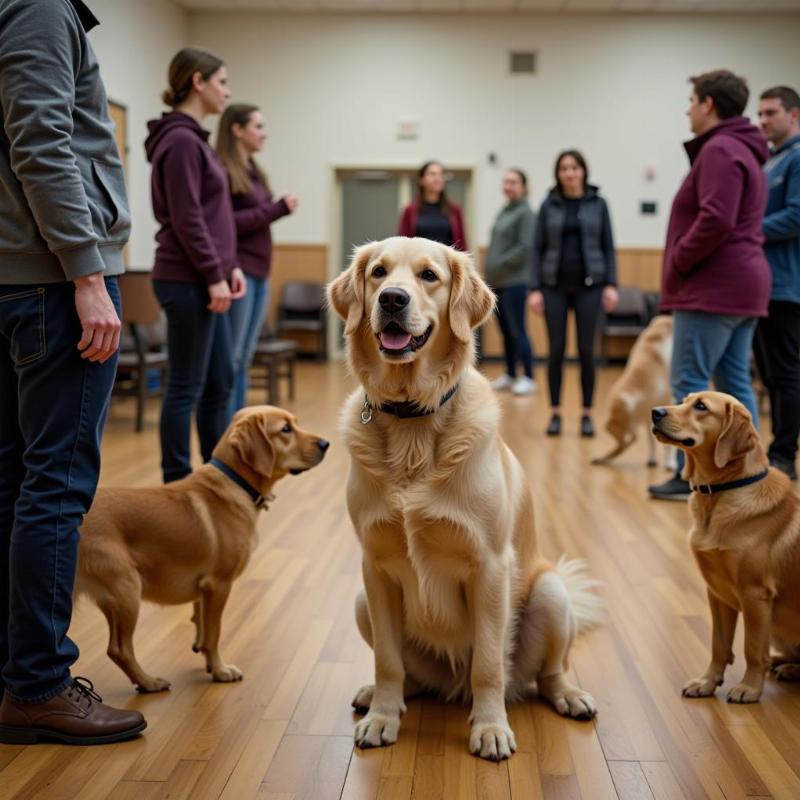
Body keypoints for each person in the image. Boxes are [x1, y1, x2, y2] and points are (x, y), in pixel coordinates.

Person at [0, 0, 146, 743]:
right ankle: (38, 685)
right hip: (54, 280)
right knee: (55, 486)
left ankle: (14, 674)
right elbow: (41, 135)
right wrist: (86, 270)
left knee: (17, 479)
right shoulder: (37, 4)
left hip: (21, 276)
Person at [649, 70, 771, 500]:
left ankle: (697, 478)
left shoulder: (719, 148)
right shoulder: (744, 149)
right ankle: (749, 478)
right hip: (744, 284)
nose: (687, 109)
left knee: (690, 378)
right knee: (735, 384)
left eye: (691, 101)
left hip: (715, 285)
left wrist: (680, 257)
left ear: (708, 105)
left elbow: (716, 217)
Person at [145, 48, 246, 484]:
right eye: (222, 81)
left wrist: (230, 265)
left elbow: (213, 215)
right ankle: (176, 480)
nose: (227, 91)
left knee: (220, 380)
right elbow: (187, 218)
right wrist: (212, 274)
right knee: (186, 385)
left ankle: (216, 475)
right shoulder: (182, 141)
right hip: (187, 280)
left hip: (208, 278)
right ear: (198, 82)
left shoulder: (193, 140)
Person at [527, 150, 619, 437]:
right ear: (558, 173)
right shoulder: (549, 204)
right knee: (555, 351)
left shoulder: (598, 204)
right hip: (553, 287)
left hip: (590, 287)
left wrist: (611, 284)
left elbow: (607, 245)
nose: (569, 173)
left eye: (574, 167)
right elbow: (537, 248)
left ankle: (587, 414)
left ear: (583, 171)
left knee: (586, 351)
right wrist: (534, 289)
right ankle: (555, 412)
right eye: (564, 168)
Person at [216, 104, 298, 416]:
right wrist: (276, 209)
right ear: (237, 130)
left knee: (244, 358)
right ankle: (226, 430)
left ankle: (239, 422)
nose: (264, 133)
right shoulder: (223, 169)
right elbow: (227, 223)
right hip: (239, 271)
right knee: (233, 358)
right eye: (258, 126)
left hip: (260, 271)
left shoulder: (253, 170)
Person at [753, 86, 800, 481]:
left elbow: (795, 216)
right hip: (761, 286)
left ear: (794, 115)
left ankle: (785, 454)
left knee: (785, 374)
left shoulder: (797, 159)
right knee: (769, 376)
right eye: (761, 113)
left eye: (771, 112)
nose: (764, 120)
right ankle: (775, 449)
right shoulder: (771, 160)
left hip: (786, 286)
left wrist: (747, 230)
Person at [486, 169, 537, 396]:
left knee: (518, 330)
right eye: (506, 181)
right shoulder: (503, 211)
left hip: (515, 281)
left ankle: (528, 376)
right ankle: (510, 373)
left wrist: (500, 262)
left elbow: (525, 247)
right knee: (506, 331)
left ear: (524, 186)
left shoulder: (526, 213)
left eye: (513, 182)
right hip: (497, 282)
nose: (508, 186)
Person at [398, 161, 467, 250]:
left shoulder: (454, 209)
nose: (437, 178)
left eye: (441, 174)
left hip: (445, 262)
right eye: (432, 174)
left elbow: (462, 244)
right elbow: (403, 243)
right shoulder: (410, 210)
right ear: (421, 180)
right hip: (419, 261)